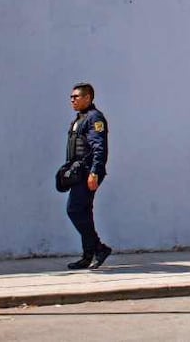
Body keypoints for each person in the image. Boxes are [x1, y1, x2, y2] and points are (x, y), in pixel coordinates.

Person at [63, 83, 112, 269]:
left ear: (88, 98)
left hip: (87, 173)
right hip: (78, 173)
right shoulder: (80, 119)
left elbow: (100, 148)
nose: (72, 100)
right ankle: (88, 255)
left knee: (74, 210)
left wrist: (95, 172)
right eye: (71, 97)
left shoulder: (94, 118)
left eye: (76, 96)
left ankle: (99, 248)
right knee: (84, 212)